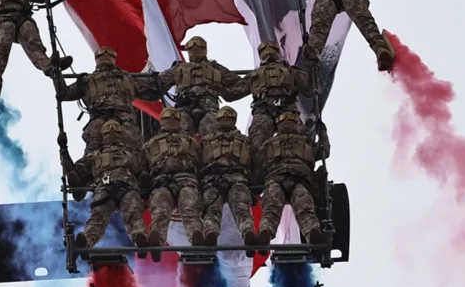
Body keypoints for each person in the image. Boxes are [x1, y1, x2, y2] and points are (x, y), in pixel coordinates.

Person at [61, 120, 148, 253]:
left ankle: (140, 239)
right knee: (98, 217)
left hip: (128, 187)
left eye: (116, 128)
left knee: (133, 214)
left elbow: (144, 171)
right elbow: (75, 172)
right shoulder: (95, 155)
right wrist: (64, 152)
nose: (112, 131)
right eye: (108, 130)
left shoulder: (132, 154)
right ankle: (86, 242)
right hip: (105, 189)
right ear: (103, 135)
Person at [53, 46, 142, 156]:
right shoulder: (87, 80)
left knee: (134, 153)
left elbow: (154, 88)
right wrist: (56, 71)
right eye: (100, 53)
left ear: (114, 58)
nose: (105, 55)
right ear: (96, 59)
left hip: (126, 121)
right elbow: (64, 94)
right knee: (92, 155)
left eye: (110, 53)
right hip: (98, 120)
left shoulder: (127, 79)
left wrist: (164, 75)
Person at [256, 111, 327, 248]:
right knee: (272, 206)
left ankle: (312, 233)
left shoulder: (306, 142)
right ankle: (265, 233)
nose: (287, 125)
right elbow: (258, 165)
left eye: (291, 122)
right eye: (284, 122)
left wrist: (322, 133)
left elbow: (324, 151)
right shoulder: (269, 144)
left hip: (299, 179)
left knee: (304, 205)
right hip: (276, 179)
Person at [230, 41, 316, 152]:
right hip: (263, 109)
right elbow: (233, 93)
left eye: (272, 48)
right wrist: (217, 74)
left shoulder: (291, 71)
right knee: (257, 143)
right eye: (263, 50)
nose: (268, 51)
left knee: (301, 141)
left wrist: (311, 64)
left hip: (287, 107)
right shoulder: (254, 75)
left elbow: (310, 90)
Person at [146, 36, 241, 136]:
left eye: (200, 44)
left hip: (209, 108)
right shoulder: (179, 68)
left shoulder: (215, 68)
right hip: (185, 107)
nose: (195, 47)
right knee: (179, 128)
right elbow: (156, 83)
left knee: (213, 127)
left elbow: (238, 84)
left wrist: (251, 79)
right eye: (191, 45)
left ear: (205, 48)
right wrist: (136, 84)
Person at [140, 107, 199, 260]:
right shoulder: (150, 144)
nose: (171, 119)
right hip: (161, 181)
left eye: (175, 117)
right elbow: (141, 167)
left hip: (187, 180)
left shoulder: (191, 142)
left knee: (189, 207)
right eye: (168, 117)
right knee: (161, 209)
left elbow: (202, 165)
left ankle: (196, 237)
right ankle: (157, 241)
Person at [197, 107, 257, 256]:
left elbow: (254, 164)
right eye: (222, 116)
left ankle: (248, 235)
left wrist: (254, 187)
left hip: (237, 179)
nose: (225, 119)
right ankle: (210, 235)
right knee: (212, 208)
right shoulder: (205, 141)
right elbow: (197, 163)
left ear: (234, 120)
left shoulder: (245, 141)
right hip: (213, 180)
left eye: (229, 116)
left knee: (241, 208)